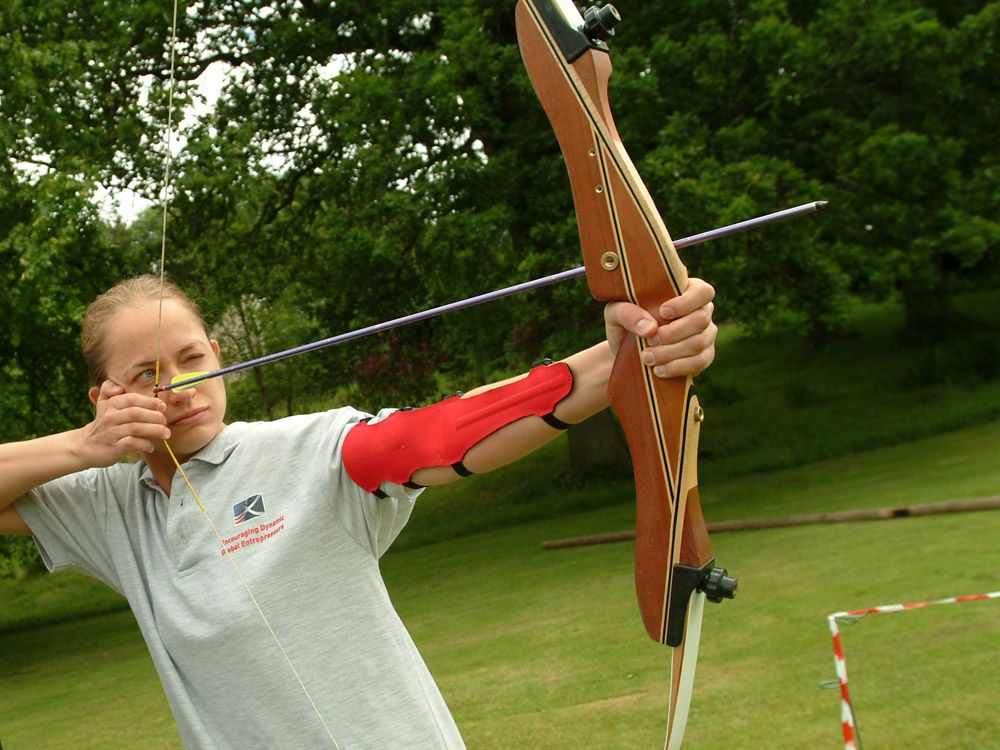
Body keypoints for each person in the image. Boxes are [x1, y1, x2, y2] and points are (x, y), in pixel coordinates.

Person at [0, 274, 718, 749]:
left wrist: (629, 358)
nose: (180, 388)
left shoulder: (305, 451)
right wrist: (82, 447)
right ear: (105, 398)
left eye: (191, 359)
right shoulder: (106, 507)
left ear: (219, 355)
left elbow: (439, 435)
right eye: (146, 378)